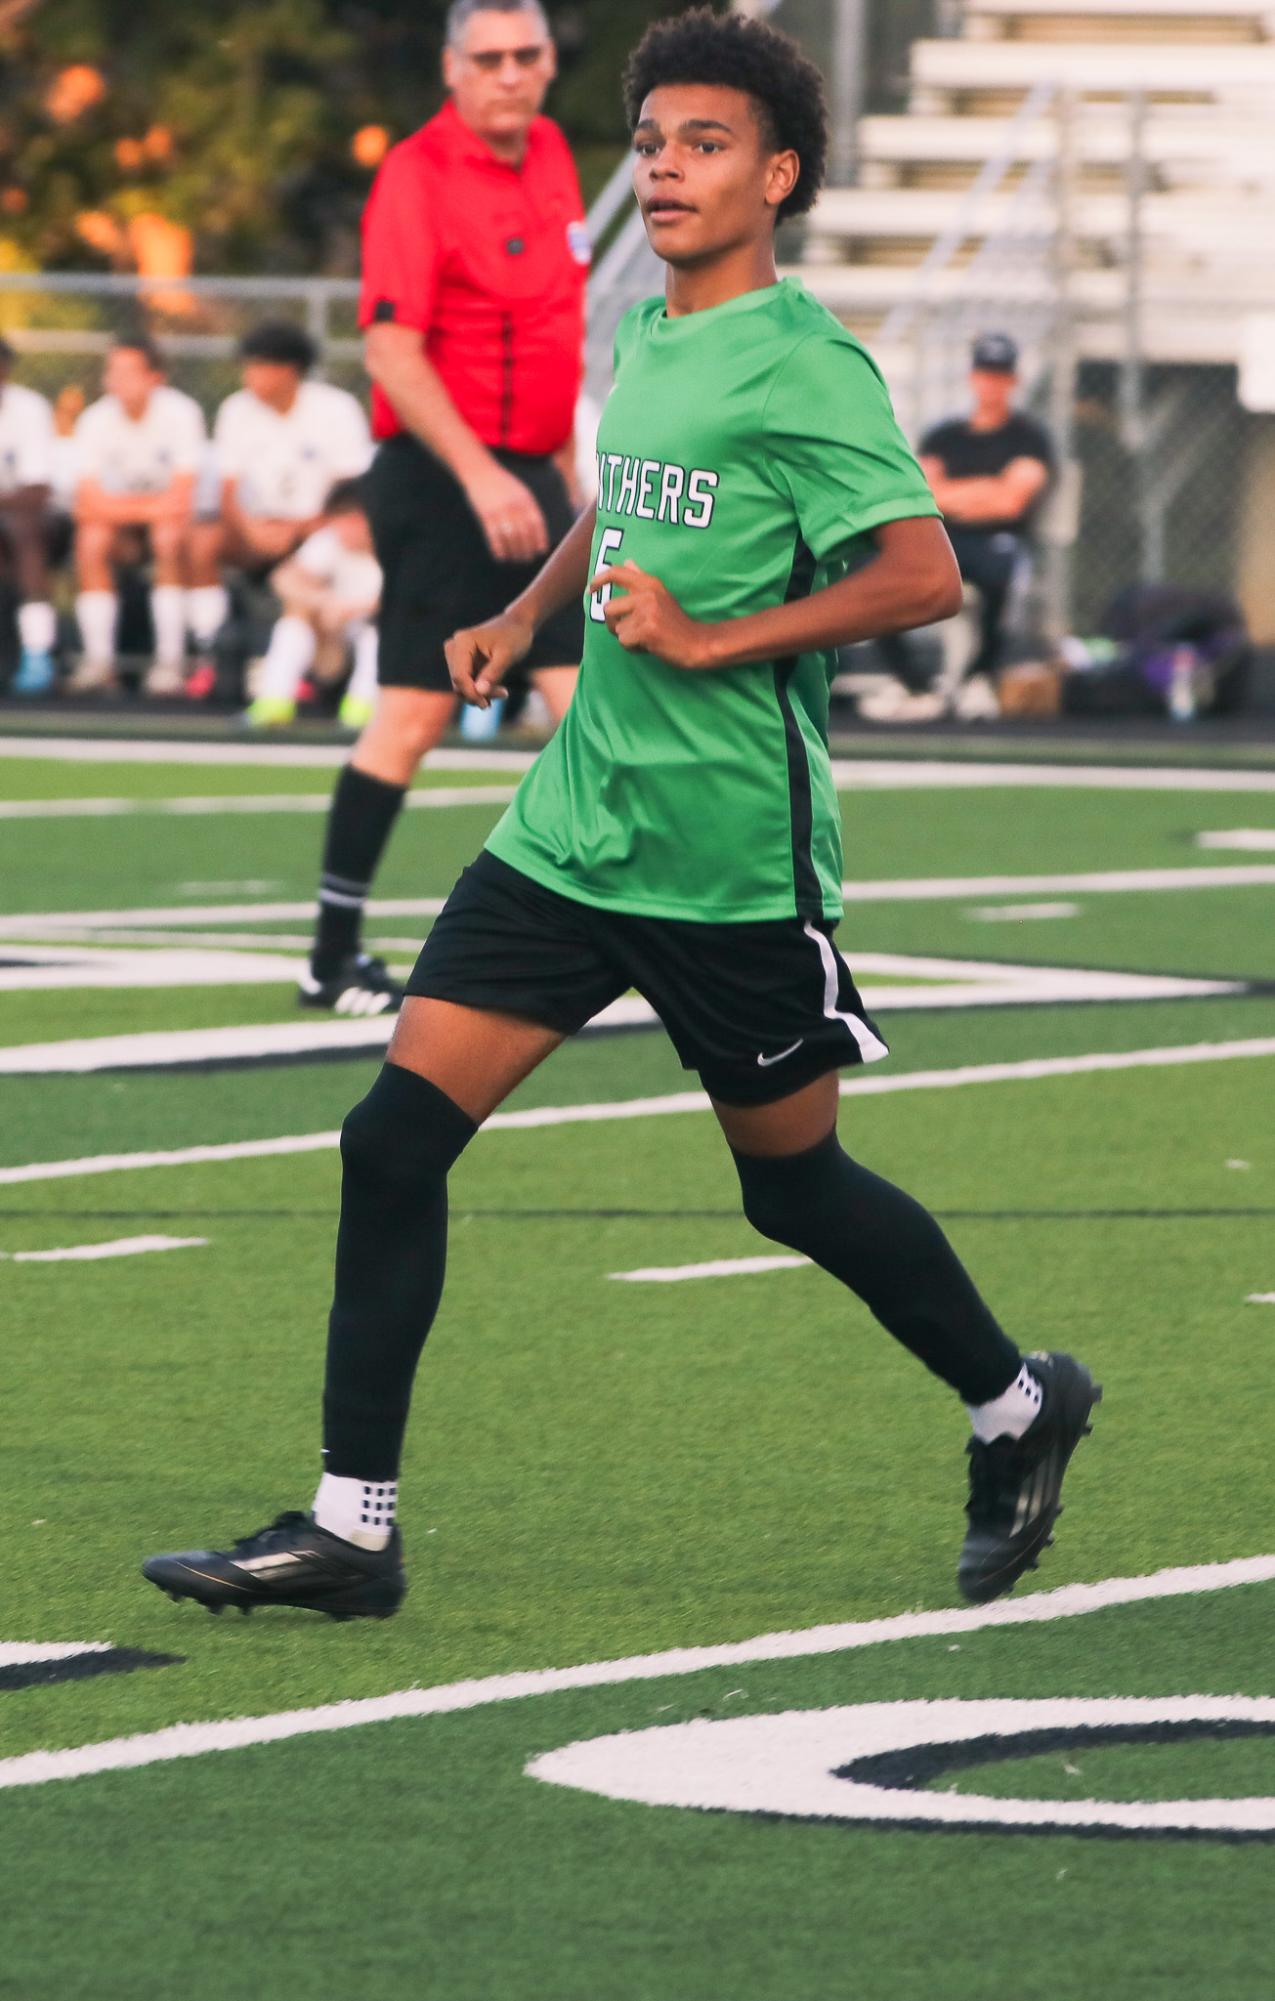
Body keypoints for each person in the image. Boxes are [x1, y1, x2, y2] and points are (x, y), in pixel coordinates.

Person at [143, 7, 1099, 1626]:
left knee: (791, 1188)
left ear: (781, 174)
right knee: (391, 1141)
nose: (661, 167)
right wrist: (528, 614)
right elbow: (626, 500)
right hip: (570, 832)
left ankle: (1018, 1403)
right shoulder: (648, 335)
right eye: (650, 140)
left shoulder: (811, 363)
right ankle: (350, 1527)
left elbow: (922, 572)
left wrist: (717, 638)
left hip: (726, 859)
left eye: (703, 142)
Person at [297, 0, 588, 1017]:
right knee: (415, 715)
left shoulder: (552, 152)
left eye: (527, 55)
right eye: (490, 57)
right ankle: (331, 955)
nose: (510, 74)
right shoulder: (417, 175)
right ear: (452, 67)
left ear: (550, 61)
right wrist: (480, 475)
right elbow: (390, 350)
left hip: (534, 476)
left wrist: (564, 476)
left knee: (589, 712)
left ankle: (604, 941)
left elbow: (555, 332)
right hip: (442, 476)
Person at [71, 336, 207, 695]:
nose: (117, 380)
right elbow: (87, 502)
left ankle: (170, 661)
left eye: (128, 371)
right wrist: (147, 507)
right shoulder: (94, 419)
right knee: (91, 539)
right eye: (112, 371)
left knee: (168, 535)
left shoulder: (182, 413)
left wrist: (130, 508)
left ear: (155, 377)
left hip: (169, 528)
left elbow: (182, 499)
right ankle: (99, 661)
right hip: (119, 530)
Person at [207, 320, 372, 577]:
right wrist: (251, 529)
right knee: (197, 540)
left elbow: (347, 490)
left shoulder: (338, 408)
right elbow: (227, 487)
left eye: (258, 366)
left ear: (288, 369)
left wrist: (304, 527)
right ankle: (207, 617)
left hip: (320, 525)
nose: (247, 376)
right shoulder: (236, 409)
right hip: (256, 525)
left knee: (346, 536)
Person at [244, 477, 381, 733]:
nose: (347, 530)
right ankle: (274, 703)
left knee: (379, 633)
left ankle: (363, 710)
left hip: (380, 641)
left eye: (355, 520)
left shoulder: (396, 546)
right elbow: (283, 579)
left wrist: (356, 609)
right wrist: (324, 603)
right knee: (295, 618)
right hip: (331, 643)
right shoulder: (328, 542)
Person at [0, 339, 60, 695]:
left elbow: (37, 491)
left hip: (32, 521)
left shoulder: (29, 408)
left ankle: (38, 654)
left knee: (25, 532)